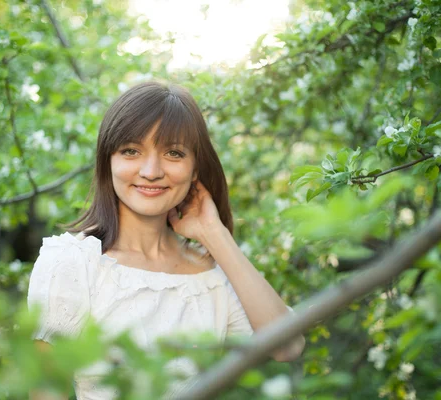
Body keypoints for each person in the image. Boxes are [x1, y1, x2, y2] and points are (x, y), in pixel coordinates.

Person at [27, 81, 305, 399]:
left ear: (195, 167)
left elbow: (287, 345)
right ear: (108, 161)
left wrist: (215, 235)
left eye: (173, 153)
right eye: (131, 151)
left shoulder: (211, 276)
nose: (151, 170)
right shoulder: (73, 262)